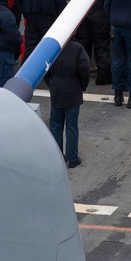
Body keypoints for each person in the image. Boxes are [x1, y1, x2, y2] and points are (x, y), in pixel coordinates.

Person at [44, 35, 90, 168]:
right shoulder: (77, 48)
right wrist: (82, 86)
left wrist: (52, 84)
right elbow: (84, 70)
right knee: (72, 126)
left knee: (56, 124)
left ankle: (57, 156)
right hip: (73, 91)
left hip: (56, 91)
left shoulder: (53, 49)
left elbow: (46, 70)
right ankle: (72, 158)